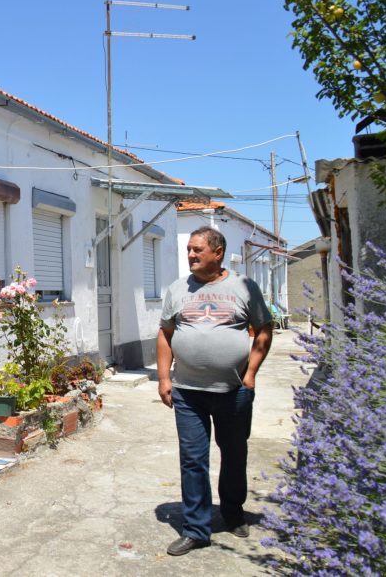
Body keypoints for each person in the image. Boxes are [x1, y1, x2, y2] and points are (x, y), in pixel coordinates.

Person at [157, 226, 273, 556]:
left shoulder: (243, 287)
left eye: (197, 250)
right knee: (193, 460)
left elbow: (264, 329)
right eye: (189, 250)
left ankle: (233, 512)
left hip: (233, 390)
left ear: (217, 253)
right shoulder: (178, 289)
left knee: (234, 454)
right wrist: (164, 379)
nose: (191, 255)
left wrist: (250, 374)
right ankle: (196, 529)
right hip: (187, 391)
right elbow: (165, 334)